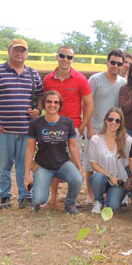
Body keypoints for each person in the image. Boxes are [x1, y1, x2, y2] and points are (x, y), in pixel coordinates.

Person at [0, 38, 43, 210]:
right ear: (9, 51)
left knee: (24, 165)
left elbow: (40, 95)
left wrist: (38, 110)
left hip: (26, 131)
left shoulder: (33, 74)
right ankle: (5, 196)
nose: (19, 53)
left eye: (23, 50)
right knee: (4, 165)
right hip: (3, 130)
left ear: (27, 54)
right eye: (16, 50)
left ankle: (24, 196)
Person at [43, 45, 94, 205]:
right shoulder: (48, 79)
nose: (66, 60)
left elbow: (89, 105)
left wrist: (81, 127)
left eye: (69, 57)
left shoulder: (80, 79)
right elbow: (44, 103)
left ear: (73, 59)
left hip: (73, 130)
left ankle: (71, 200)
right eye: (62, 56)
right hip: (52, 129)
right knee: (53, 162)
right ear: (57, 57)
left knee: (74, 163)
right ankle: (52, 198)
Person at [24, 91, 83, 214]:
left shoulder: (67, 122)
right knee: (40, 200)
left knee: (77, 179)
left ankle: (70, 204)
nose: (52, 104)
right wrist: (27, 175)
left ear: (60, 105)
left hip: (62, 164)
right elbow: (30, 149)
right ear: (44, 104)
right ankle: (37, 194)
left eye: (56, 102)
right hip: (43, 165)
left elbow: (73, 146)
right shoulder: (36, 123)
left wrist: (79, 167)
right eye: (49, 101)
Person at [84, 49, 127, 204]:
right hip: (95, 126)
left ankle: (111, 192)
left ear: (122, 66)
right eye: (112, 62)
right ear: (107, 62)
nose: (115, 66)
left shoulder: (123, 83)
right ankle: (91, 194)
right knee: (90, 162)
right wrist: (88, 127)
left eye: (119, 63)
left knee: (114, 159)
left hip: (114, 127)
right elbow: (87, 104)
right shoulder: (95, 79)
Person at [89, 107, 132, 213]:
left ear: (121, 123)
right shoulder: (96, 140)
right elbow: (94, 164)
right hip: (103, 177)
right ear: (105, 120)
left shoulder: (127, 141)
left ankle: (122, 194)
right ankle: (99, 201)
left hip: (119, 180)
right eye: (111, 119)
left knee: (112, 207)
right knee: (96, 178)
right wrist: (110, 176)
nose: (114, 122)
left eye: (117, 120)